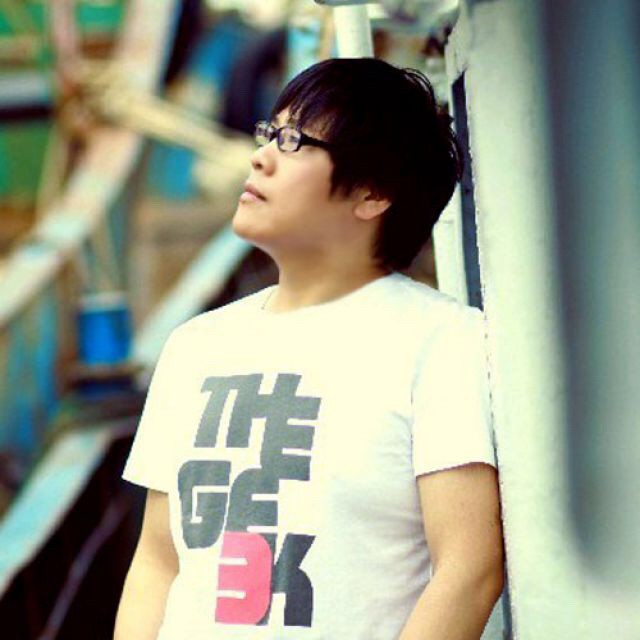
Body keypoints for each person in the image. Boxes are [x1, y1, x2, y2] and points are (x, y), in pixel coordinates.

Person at [114, 57, 504, 640]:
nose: (261, 156)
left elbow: (469, 569)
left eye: (294, 141)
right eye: (268, 133)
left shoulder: (441, 339)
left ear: (373, 192)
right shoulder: (196, 345)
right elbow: (158, 560)